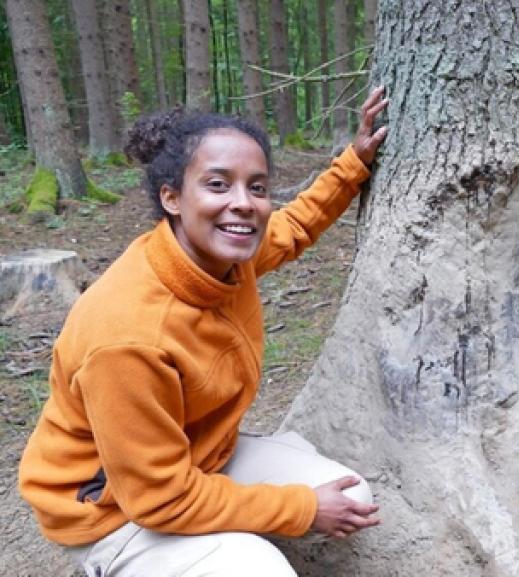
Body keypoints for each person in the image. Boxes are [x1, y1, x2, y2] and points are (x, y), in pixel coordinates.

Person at [18, 88, 390, 576]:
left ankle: (219, 539)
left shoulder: (223, 256)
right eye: (218, 185)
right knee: (261, 571)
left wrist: (354, 163)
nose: (243, 204)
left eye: (257, 187)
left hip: (198, 459)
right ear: (171, 197)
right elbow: (159, 499)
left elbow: (294, 226)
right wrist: (301, 508)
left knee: (351, 496)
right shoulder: (128, 337)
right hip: (114, 511)